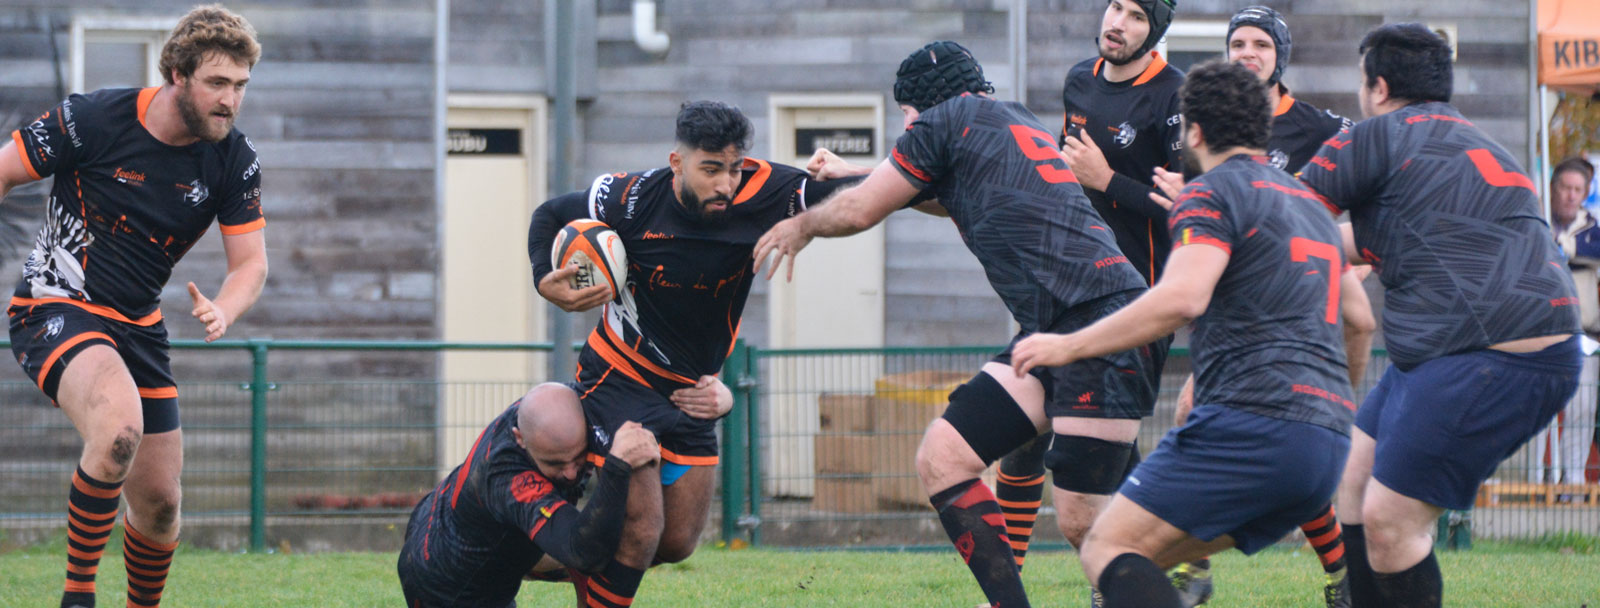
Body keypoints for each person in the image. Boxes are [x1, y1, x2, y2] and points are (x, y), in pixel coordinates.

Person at [756, 40, 1157, 608]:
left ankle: (1166, 578)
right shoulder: (1007, 117)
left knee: (1087, 526)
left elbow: (860, 210)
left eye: (904, 117)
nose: (907, 127)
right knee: (943, 457)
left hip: (1101, 323)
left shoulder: (940, 122)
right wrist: (860, 171)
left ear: (918, 107)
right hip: (1058, 332)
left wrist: (803, 226)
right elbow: (945, 190)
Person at [1008, 59, 1355, 608]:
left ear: (1192, 132)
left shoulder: (1209, 192)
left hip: (1250, 425)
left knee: (1105, 548)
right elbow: (1359, 319)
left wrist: (1067, 344)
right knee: (1143, 558)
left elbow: (1182, 298)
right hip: (1326, 441)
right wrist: (1335, 402)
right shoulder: (1309, 205)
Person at [526, 100, 857, 607]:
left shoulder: (769, 189)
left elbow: (876, 194)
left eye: (733, 168)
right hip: (619, 376)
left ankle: (525, 554)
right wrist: (544, 283)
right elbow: (549, 214)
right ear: (677, 163)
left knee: (675, 542)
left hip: (692, 394)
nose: (726, 183)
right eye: (710, 169)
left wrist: (861, 170)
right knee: (640, 530)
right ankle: (531, 561)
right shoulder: (628, 199)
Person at [1298, 23, 1581, 607]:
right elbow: (1376, 237)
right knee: (1351, 480)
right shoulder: (1471, 146)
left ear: (1377, 87)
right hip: (1503, 349)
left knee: (1388, 519)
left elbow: (1274, 213)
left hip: (1490, 356)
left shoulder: (1374, 137)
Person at [0, 6, 266, 607]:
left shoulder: (232, 158)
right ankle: (77, 596)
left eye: (241, 85)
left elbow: (251, 265)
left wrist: (225, 308)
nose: (231, 100)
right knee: (120, 427)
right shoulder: (91, 117)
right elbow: (3, 171)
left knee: (161, 503)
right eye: (217, 83)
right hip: (55, 304)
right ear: (177, 73)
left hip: (139, 327)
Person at [1159, 8, 1377, 607]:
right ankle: (1336, 574)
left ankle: (1194, 565)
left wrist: (1340, 272)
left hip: (1302, 311)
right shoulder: (1207, 132)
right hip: (1236, 313)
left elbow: (1366, 217)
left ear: (1281, 56)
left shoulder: (1325, 129)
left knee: (1212, 415)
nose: (1247, 52)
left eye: (1260, 43)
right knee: (1203, 419)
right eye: (1236, 42)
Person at [991, 0, 1186, 591]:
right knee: (1027, 439)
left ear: (1154, 32)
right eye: (1115, 6)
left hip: (1136, 301)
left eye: (1135, 15)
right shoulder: (1079, 79)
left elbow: (1191, 208)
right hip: (1067, 289)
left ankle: (1143, 574)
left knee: (1096, 460)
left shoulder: (1174, 95)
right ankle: (1012, 589)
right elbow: (1061, 173)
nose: (1118, 22)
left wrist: (1109, 181)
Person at [396, 383, 659, 607]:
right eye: (555, 464)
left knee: (605, 544)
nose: (570, 473)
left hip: (442, 518)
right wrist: (616, 468)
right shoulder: (508, 477)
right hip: (444, 586)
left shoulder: (561, 406)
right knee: (591, 547)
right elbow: (583, 553)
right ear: (520, 439)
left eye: (578, 458)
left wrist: (701, 393)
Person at [1534, 156, 1599, 490]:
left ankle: (1573, 485)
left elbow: (1594, 249)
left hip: (1583, 334)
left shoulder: (1592, 228)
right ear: (1553, 188)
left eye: (1578, 190)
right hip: (1537, 332)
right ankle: (1534, 479)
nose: (1571, 196)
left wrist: (1566, 247)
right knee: (1531, 407)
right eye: (1565, 188)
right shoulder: (1535, 220)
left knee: (1581, 411)